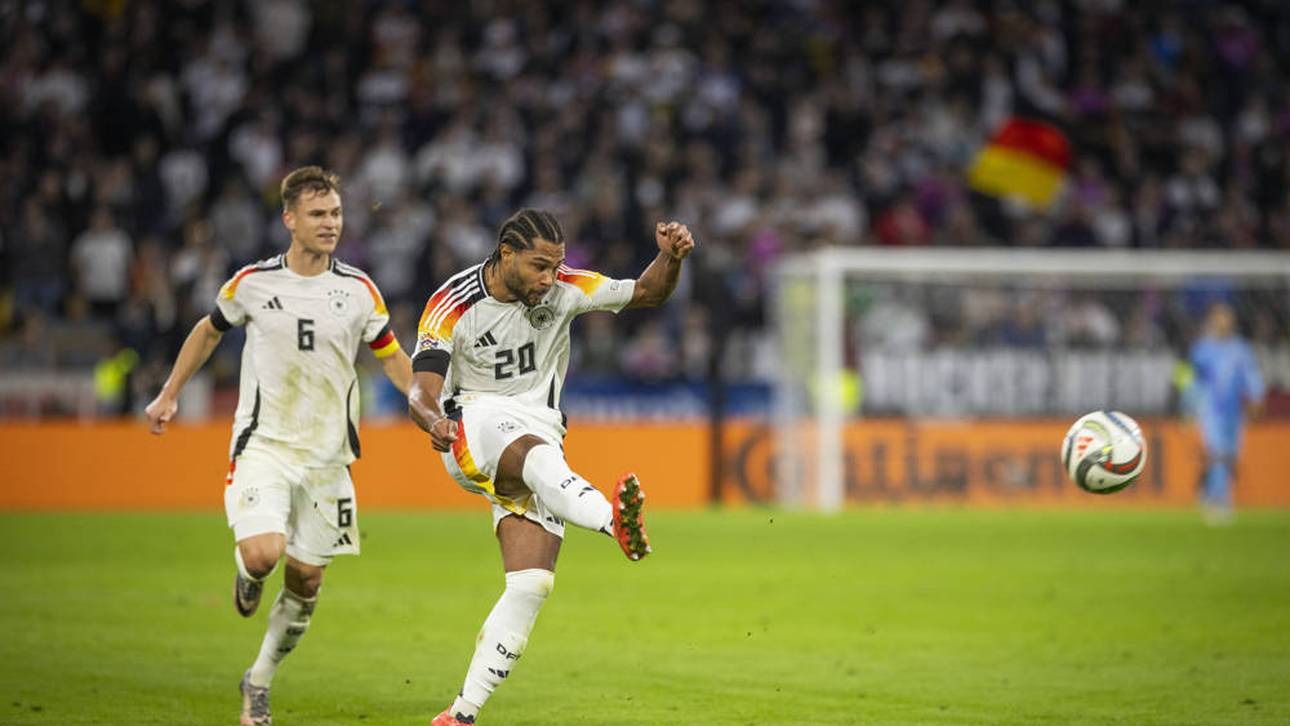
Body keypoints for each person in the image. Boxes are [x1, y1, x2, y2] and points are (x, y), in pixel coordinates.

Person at [144, 166, 413, 725]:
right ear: (289, 219)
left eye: (336, 213)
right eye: (318, 214)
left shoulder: (359, 290)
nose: (330, 223)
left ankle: (258, 680)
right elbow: (208, 330)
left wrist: (427, 405)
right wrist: (170, 393)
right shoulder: (252, 283)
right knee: (265, 553)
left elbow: (389, 355)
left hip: (329, 460)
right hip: (264, 445)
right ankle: (249, 571)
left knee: (308, 578)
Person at [408, 209, 695, 725]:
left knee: (531, 584)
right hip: (469, 427)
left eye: (556, 265)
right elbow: (420, 388)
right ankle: (612, 521)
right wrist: (433, 420)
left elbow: (648, 292)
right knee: (514, 434)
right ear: (506, 254)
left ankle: (461, 713)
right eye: (539, 266)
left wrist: (669, 258)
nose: (549, 277)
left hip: (540, 439)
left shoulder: (565, 288)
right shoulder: (453, 303)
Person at [1187, 301, 1265, 524]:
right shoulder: (1202, 349)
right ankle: (1219, 500)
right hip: (1210, 409)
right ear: (1212, 321)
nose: (1223, 321)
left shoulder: (1241, 349)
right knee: (1218, 453)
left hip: (1234, 411)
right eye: (1219, 317)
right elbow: (1194, 380)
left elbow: (1251, 377)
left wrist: (1256, 398)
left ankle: (1209, 492)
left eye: (1226, 317)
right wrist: (1190, 406)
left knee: (1231, 456)